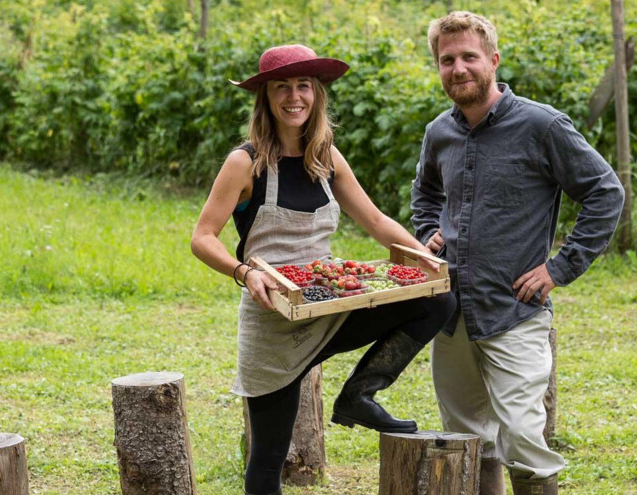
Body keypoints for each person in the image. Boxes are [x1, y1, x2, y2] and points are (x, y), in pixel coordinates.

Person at [191, 44, 454, 495]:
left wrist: (426, 259)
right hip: (273, 316)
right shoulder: (245, 161)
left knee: (438, 300)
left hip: (326, 304)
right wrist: (244, 272)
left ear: (316, 94)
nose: (294, 97)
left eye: (303, 86)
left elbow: (374, 221)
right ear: (265, 97)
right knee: (269, 457)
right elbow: (202, 237)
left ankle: (359, 394)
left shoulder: (326, 156)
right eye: (281, 87)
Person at [410, 12, 626, 495]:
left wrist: (559, 267)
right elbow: (423, 193)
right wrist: (427, 230)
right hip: (450, 311)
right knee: (467, 436)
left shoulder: (542, 126)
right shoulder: (438, 133)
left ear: (493, 59)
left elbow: (605, 191)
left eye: (469, 56)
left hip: (514, 309)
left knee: (524, 439)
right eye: (447, 60)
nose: (459, 68)